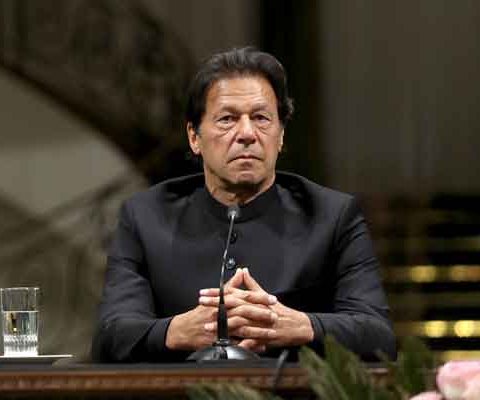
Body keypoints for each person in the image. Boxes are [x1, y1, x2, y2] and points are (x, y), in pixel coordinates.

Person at [92, 46, 396, 363]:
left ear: (281, 135)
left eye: (261, 118)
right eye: (227, 119)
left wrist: (300, 326)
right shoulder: (145, 217)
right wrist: (177, 331)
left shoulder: (333, 216)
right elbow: (110, 337)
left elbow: (379, 337)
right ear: (194, 137)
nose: (247, 133)